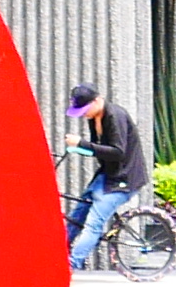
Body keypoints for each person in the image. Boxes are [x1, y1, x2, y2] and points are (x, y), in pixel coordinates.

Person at [59, 83, 151, 270]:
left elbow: (118, 152)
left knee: (94, 223)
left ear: (98, 100)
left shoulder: (115, 116)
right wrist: (79, 148)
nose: (83, 114)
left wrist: (82, 143)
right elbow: (99, 150)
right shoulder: (94, 117)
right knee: (78, 212)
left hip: (125, 178)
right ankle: (60, 252)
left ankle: (71, 264)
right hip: (108, 175)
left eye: (85, 109)